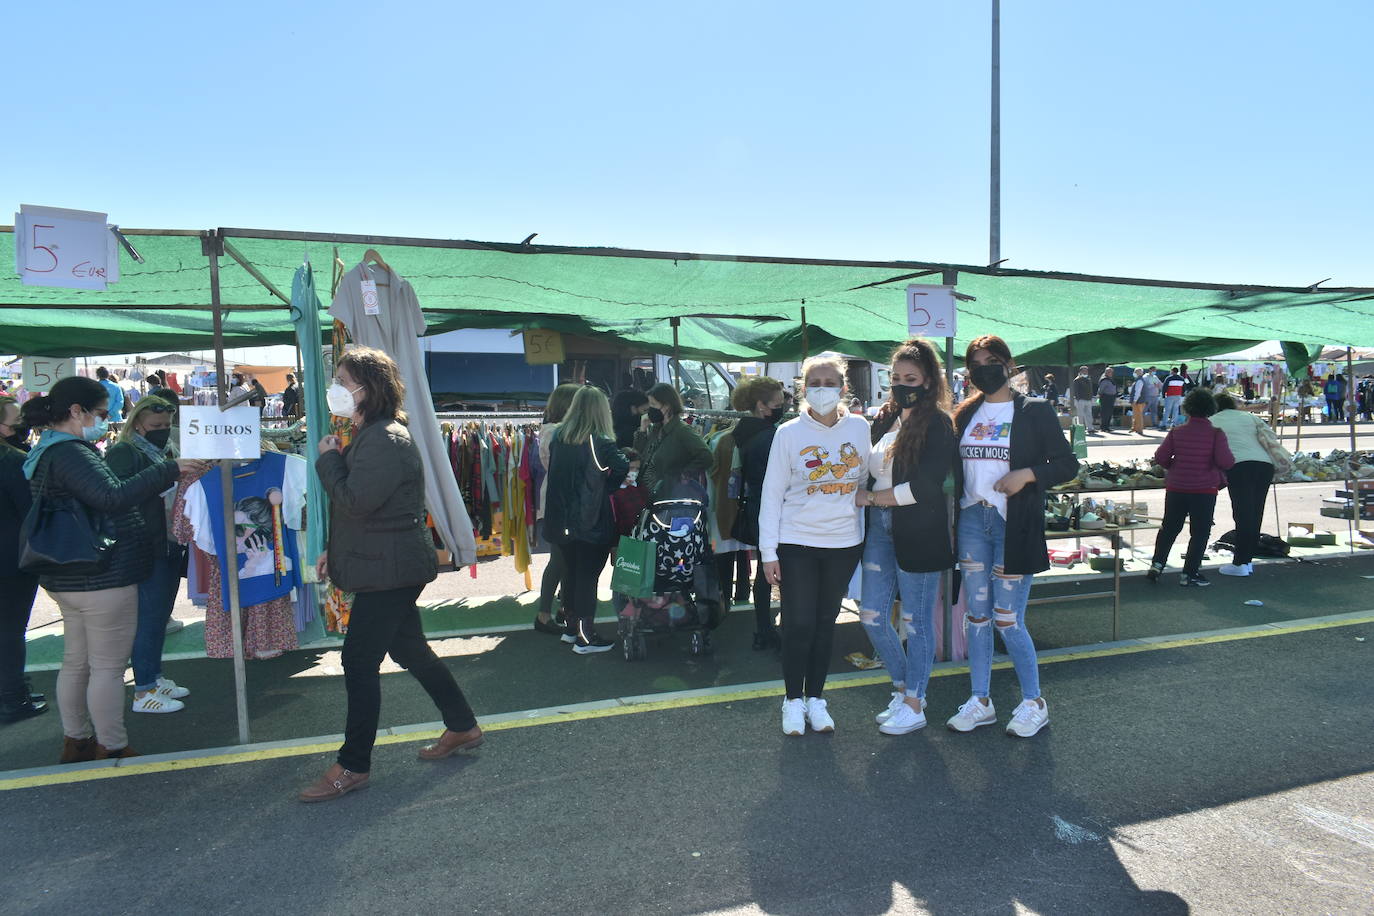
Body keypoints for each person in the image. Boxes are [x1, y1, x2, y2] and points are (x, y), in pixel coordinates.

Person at [301, 347, 482, 802]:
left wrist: (329, 459)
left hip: (391, 570)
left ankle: (353, 765)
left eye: (343, 381)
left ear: (367, 388)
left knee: (358, 661)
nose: (336, 390)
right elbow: (366, 511)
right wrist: (331, 547)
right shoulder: (374, 434)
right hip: (388, 564)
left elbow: (356, 502)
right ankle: (462, 725)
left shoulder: (384, 438)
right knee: (410, 650)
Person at [19, 378, 203, 762]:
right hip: (101, 576)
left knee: (78, 662)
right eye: (102, 414)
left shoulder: (48, 451)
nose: (107, 421)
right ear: (76, 412)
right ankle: (112, 743)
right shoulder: (71, 452)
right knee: (106, 667)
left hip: (71, 577)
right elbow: (111, 497)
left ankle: (78, 740)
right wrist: (168, 469)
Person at [949, 335, 1079, 739]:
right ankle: (980, 700)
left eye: (990, 360)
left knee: (1008, 620)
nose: (982, 368)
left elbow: (1067, 463)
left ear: (1008, 364)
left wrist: (1027, 474)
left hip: (1012, 527)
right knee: (977, 618)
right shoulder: (965, 413)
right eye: (975, 362)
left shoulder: (1034, 410)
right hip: (973, 522)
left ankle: (1033, 702)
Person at [758, 356, 870, 736]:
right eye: (816, 382)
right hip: (797, 541)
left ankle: (817, 699)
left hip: (844, 542)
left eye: (831, 381)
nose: (823, 388)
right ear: (804, 388)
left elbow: (866, 478)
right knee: (799, 623)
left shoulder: (859, 427)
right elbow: (771, 496)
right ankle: (792, 700)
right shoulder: (787, 433)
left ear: (844, 387)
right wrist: (768, 552)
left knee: (826, 623)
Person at [855, 339, 955, 736]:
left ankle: (915, 701)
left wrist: (874, 498)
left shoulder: (939, 423)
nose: (901, 385)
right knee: (872, 616)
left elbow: (929, 485)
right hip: (879, 529)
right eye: (895, 378)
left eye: (910, 378)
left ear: (929, 380)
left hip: (919, 532)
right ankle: (904, 690)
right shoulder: (884, 418)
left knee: (917, 624)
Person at [105, 395, 190, 714]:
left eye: (167, 425)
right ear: (137, 422)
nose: (163, 430)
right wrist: (166, 477)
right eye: (156, 425)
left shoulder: (164, 449)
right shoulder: (124, 451)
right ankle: (143, 690)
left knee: (159, 615)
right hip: (146, 543)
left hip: (167, 541)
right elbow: (118, 496)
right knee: (150, 619)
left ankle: (153, 678)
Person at [543, 386, 630, 654]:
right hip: (590, 519)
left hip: (560, 519)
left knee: (572, 573)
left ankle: (572, 629)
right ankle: (585, 636)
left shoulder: (560, 436)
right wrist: (609, 485)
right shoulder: (600, 440)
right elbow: (621, 467)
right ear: (601, 410)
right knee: (587, 577)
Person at [1146, 388, 1235, 588]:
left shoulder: (1177, 432)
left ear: (1187, 408)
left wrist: (1175, 467)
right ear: (1211, 409)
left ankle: (1157, 565)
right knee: (1200, 532)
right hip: (1204, 489)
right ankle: (1189, 574)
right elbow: (1226, 461)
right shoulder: (1215, 434)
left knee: (1169, 528)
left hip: (1177, 487)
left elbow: (1160, 458)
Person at [728, 376, 788, 650]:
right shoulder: (770, 436)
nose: (783, 406)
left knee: (765, 571)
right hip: (774, 510)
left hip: (755, 506)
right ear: (762, 406)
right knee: (781, 571)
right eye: (778, 403)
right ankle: (776, 628)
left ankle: (762, 628)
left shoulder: (742, 432)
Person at [1209, 394, 1292, 577]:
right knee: (1255, 513)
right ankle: (1247, 561)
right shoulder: (1250, 417)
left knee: (1242, 514)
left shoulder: (1212, 421)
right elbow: (1270, 436)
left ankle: (1240, 563)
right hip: (1264, 465)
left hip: (1238, 466)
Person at [0, 397, 45, 723]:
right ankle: (14, 698)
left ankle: (14, 693)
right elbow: (30, 512)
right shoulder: (13, 461)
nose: (21, 428)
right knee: (11, 630)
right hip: (11, 561)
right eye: (16, 422)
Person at [533, 383, 582, 638]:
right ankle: (544, 613)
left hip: (557, 499)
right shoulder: (557, 432)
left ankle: (563, 609)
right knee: (559, 559)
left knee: (565, 559)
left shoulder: (552, 429)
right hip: (559, 502)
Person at [635, 383, 712, 501]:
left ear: (667, 406)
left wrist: (684, 474)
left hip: (669, 497)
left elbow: (706, 456)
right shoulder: (655, 429)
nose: (650, 409)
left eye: (653, 404)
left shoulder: (682, 430)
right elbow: (638, 455)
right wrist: (642, 431)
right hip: (649, 496)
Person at [1070, 366, 1095, 434]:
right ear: (1080, 371)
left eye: (1086, 370)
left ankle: (1090, 428)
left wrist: (1091, 398)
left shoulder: (1088, 378)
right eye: (1084, 371)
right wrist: (1077, 399)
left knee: (1089, 414)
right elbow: (1075, 391)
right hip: (1080, 399)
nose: (1086, 372)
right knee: (1080, 415)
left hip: (1088, 399)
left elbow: (1090, 390)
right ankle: (1081, 428)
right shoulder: (1077, 379)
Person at [1097, 368, 1119, 433]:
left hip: (1111, 398)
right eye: (1109, 372)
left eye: (1111, 372)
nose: (1111, 373)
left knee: (1109, 413)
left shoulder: (1111, 379)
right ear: (1106, 372)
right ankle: (1103, 427)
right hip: (1105, 398)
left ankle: (1107, 427)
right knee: (1104, 413)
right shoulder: (1104, 380)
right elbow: (1101, 390)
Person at [1128, 368, 1148, 435]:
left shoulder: (1139, 381)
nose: (1134, 373)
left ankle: (1139, 430)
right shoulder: (1139, 380)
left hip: (1139, 401)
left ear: (1139, 373)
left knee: (1138, 416)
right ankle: (1134, 428)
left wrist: (1134, 400)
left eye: (1135, 372)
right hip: (1139, 401)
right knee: (1135, 415)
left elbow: (1138, 392)